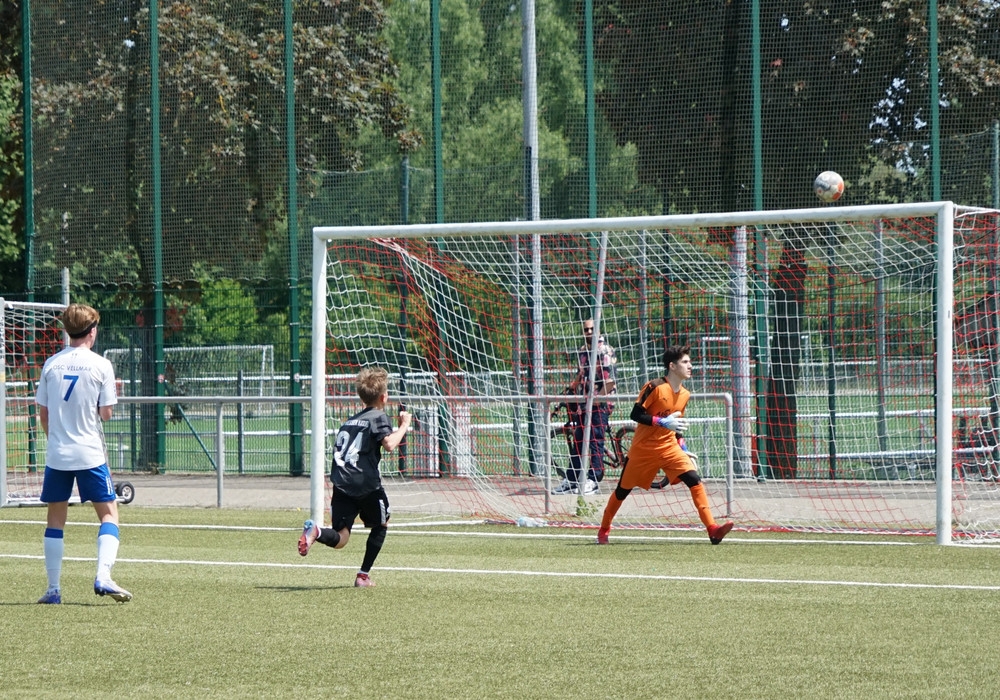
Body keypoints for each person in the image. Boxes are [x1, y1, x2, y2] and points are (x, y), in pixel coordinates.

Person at [35, 303, 131, 604]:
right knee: (109, 514)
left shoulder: (51, 364)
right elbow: (106, 414)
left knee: (55, 519)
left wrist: (57, 440)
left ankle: (53, 589)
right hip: (89, 453)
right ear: (92, 331)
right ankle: (103, 575)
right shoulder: (101, 365)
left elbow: (44, 415)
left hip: (58, 454)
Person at [596, 345, 733, 545]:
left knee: (694, 480)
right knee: (622, 490)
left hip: (669, 447)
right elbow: (635, 414)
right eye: (685, 362)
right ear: (672, 366)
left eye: (690, 361)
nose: (690, 365)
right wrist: (661, 421)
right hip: (643, 449)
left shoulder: (685, 394)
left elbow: (677, 426)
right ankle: (603, 529)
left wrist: (684, 449)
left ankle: (713, 529)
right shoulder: (655, 387)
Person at [298, 366, 411, 587]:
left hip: (341, 482)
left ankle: (316, 531)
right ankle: (363, 576)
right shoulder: (378, 416)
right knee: (382, 523)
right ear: (383, 397)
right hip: (365, 483)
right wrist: (404, 425)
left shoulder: (349, 422)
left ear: (361, 397)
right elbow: (389, 444)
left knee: (341, 538)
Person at [553, 318, 617, 496]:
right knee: (579, 438)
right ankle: (572, 479)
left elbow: (610, 381)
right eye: (586, 330)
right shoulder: (583, 350)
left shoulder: (605, 351)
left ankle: (594, 479)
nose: (588, 332)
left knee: (595, 439)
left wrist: (598, 399)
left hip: (600, 402)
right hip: (584, 401)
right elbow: (580, 374)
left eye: (591, 329)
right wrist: (570, 389)